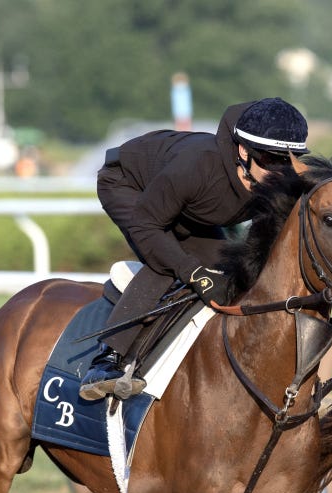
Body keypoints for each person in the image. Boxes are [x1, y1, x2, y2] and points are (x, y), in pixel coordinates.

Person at [79, 97, 310, 401]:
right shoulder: (197, 166)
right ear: (243, 151)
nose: (279, 172)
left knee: (229, 272)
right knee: (167, 259)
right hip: (128, 185)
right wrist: (195, 274)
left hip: (190, 206)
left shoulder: (275, 179)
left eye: (288, 160)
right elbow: (147, 226)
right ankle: (107, 360)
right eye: (269, 160)